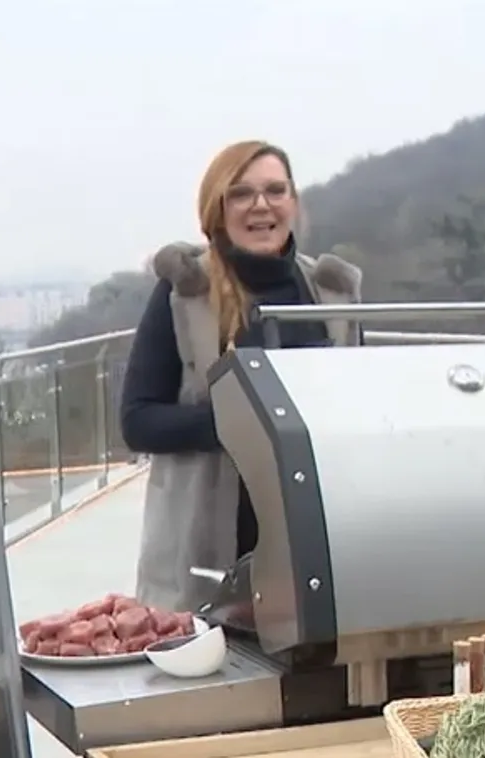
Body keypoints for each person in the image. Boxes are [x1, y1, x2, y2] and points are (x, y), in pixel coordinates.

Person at [120, 140, 364, 613]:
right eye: (241, 193)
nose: (261, 205)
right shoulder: (183, 294)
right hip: (205, 554)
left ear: (293, 202)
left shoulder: (331, 295)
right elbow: (138, 421)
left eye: (275, 190)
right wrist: (241, 421)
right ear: (217, 207)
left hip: (314, 551)